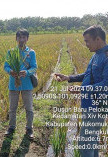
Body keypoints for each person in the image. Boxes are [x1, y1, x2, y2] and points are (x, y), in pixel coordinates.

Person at [55, 25, 108, 157]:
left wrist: (81, 89)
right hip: (88, 105)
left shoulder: (107, 56)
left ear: (97, 39)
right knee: (92, 140)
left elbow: (106, 84)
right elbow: (88, 75)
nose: (86, 44)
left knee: (85, 143)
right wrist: (69, 77)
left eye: (87, 41)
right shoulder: (96, 55)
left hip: (96, 106)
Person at [4, 29, 37, 139]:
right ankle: (11, 127)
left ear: (27, 39)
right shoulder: (11, 52)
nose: (21, 40)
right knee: (12, 108)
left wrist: (27, 72)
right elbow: (6, 66)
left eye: (24, 37)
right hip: (14, 84)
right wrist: (10, 71)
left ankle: (29, 128)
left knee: (29, 108)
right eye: (19, 37)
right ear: (16, 38)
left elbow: (34, 67)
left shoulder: (31, 53)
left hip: (27, 85)